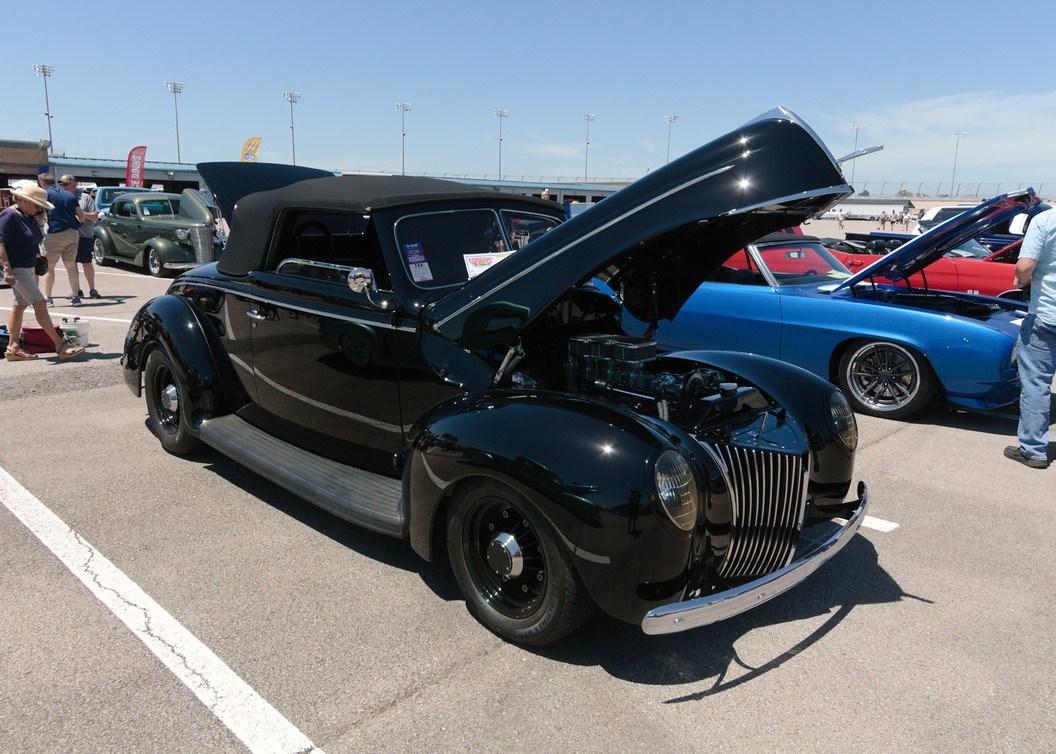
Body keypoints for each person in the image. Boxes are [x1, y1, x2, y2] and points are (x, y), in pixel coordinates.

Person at [0, 185, 85, 361]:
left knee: (19, 305)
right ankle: (60, 345)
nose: (38, 208)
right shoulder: (10, 215)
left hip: (28, 267)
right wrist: (6, 269)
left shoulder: (28, 216)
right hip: (17, 270)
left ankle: (13, 347)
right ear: (22, 200)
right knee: (40, 303)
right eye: (36, 204)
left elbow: (35, 238)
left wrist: (39, 221)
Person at [1004, 206, 1056, 469]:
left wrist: (1022, 280)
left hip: (1047, 316)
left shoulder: (1045, 220)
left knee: (1036, 383)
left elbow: (1025, 266)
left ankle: (1033, 451)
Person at [40, 173, 94, 306]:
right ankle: (76, 297)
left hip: (55, 234)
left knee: (49, 267)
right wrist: (77, 225)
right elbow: (81, 217)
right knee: (71, 266)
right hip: (72, 234)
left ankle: (48, 298)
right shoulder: (70, 195)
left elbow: (40, 215)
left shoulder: (46, 195)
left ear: (42, 183)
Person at [76, 186, 102, 299]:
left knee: (86, 263)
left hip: (84, 236)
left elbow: (95, 216)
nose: (65, 186)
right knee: (71, 265)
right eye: (63, 184)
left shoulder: (85, 198)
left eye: (67, 184)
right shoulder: (64, 197)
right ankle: (76, 290)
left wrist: (81, 214)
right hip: (69, 236)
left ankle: (92, 289)